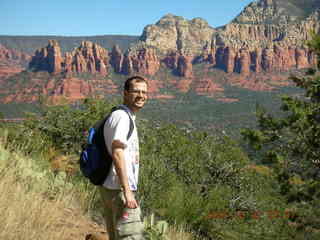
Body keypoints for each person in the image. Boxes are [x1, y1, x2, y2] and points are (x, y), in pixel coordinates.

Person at [99, 76, 148, 240]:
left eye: (144, 92)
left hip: (110, 187)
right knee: (130, 236)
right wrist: (127, 192)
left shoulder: (120, 115)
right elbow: (118, 152)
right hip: (119, 190)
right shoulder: (122, 118)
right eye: (136, 91)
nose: (141, 95)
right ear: (126, 93)